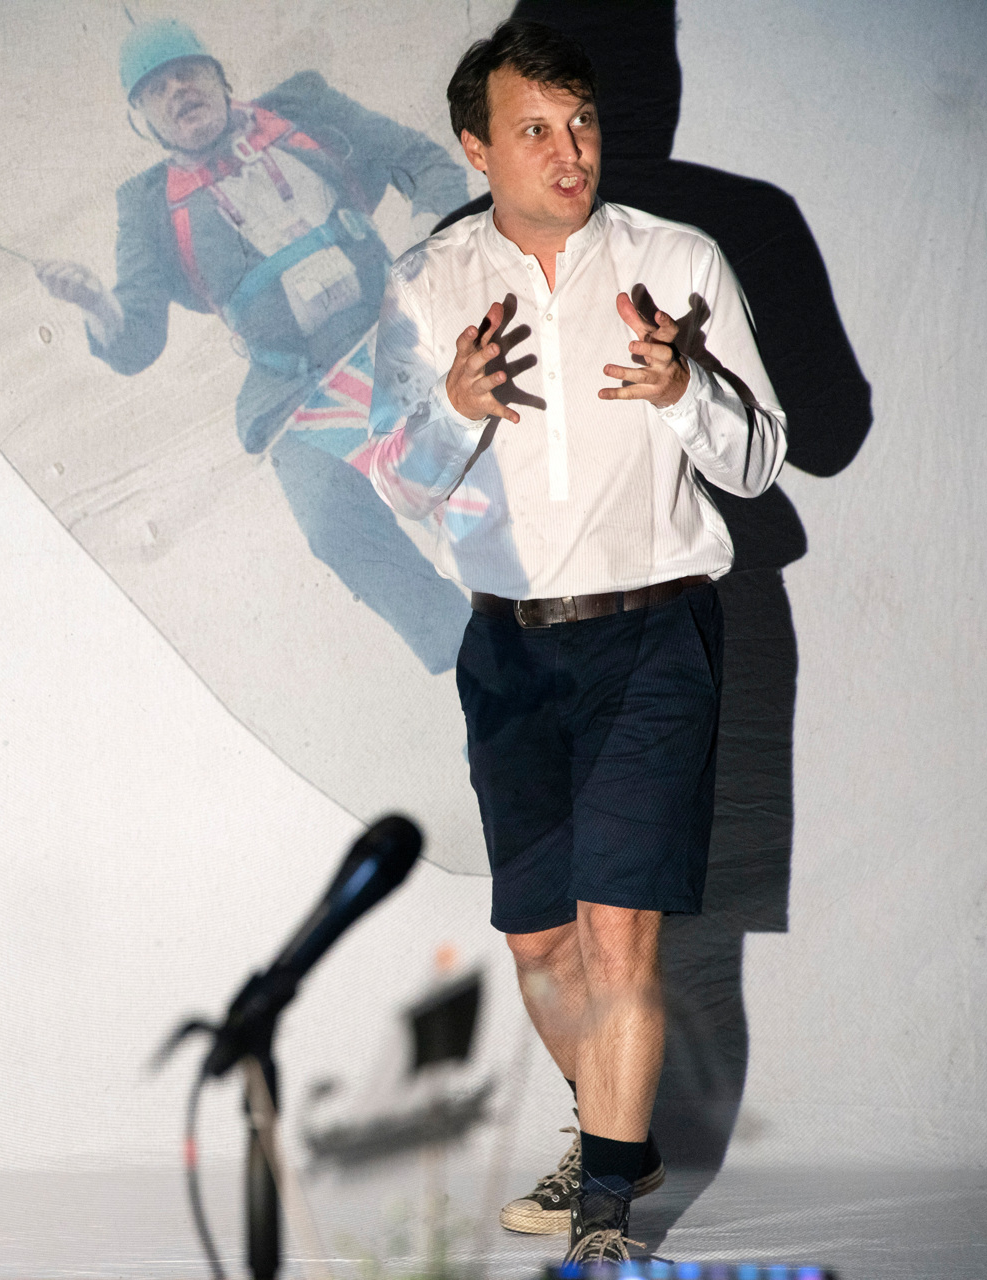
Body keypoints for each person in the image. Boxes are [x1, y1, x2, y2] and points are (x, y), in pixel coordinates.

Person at [365, 20, 787, 1265]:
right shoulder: (429, 283)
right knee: (542, 942)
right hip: (509, 652)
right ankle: (620, 1136)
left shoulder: (678, 260)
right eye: (537, 129)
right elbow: (399, 482)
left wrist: (689, 391)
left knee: (618, 931)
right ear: (476, 147)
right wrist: (454, 409)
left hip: (654, 634)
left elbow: (761, 460)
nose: (570, 151)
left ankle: (606, 1218)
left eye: (583, 123)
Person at [36, 20, 475, 672]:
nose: (178, 91)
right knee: (330, 522)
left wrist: (430, 250)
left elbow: (421, 160)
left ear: (220, 78)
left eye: (188, 73)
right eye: (157, 90)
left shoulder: (304, 109)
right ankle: (475, 658)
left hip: (395, 336)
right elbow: (136, 343)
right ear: (143, 120)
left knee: (483, 474)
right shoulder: (147, 208)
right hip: (294, 388)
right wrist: (96, 303)